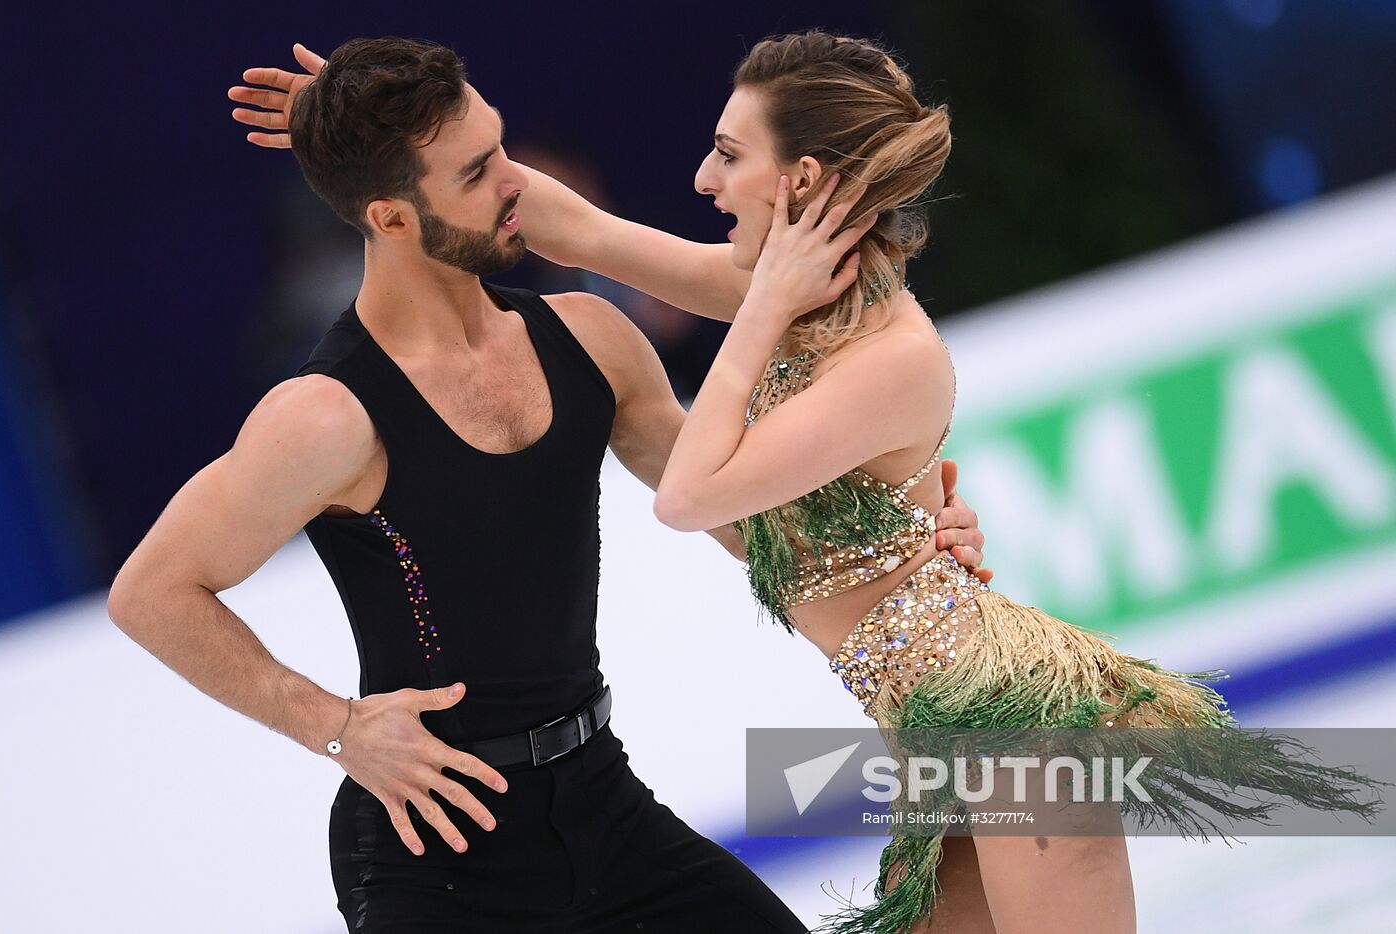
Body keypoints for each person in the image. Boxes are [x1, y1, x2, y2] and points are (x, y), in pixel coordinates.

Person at [232, 30, 1386, 934]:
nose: (699, 175)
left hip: (1019, 737)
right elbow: (570, 227)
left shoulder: (887, 352)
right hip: (947, 741)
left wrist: (760, 306)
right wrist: (367, 126)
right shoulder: (793, 293)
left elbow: (689, 493)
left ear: (806, 178)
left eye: (729, 156)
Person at [112, 35, 997, 933]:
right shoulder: (328, 415)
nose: (514, 184)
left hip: (602, 807)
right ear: (390, 219)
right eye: (475, 173)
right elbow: (153, 592)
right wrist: (334, 725)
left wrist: (906, 536)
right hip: (435, 858)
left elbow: (754, 524)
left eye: (501, 149)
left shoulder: (589, 340)